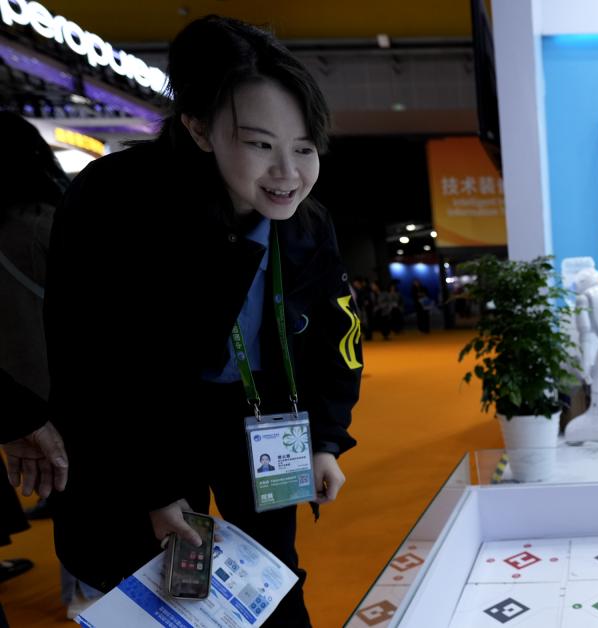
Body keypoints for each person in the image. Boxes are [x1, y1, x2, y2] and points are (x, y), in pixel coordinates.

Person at [45, 16, 363, 627]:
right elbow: (94, 358)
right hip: (157, 425)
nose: (288, 173)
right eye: (260, 144)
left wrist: (325, 439)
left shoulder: (305, 221)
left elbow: (336, 334)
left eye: (304, 148)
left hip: (263, 417)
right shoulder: (119, 202)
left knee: (274, 578)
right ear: (197, 127)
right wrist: (155, 487)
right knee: (177, 586)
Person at [0, 112, 74, 623]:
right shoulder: (50, 221)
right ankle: (87, 586)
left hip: (13, 393)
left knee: (59, 487)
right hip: (68, 382)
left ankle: (80, 588)